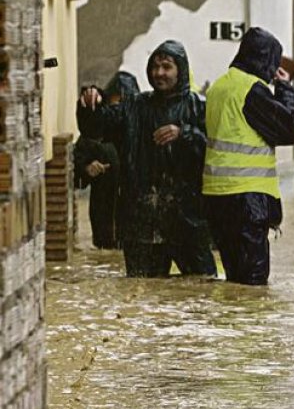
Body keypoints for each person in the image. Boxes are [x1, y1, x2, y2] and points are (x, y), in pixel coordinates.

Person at [77, 42, 216, 278]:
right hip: (141, 220)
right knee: (143, 291)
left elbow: (213, 149)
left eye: (166, 67)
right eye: (154, 67)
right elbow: (96, 127)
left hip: (187, 219)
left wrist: (184, 134)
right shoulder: (134, 107)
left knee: (203, 285)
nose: (159, 73)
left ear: (180, 70)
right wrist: (92, 102)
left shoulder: (198, 107)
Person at [202, 27, 294, 286]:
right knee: (253, 285)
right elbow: (290, 129)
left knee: (234, 280)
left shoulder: (218, 87)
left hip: (216, 198)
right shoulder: (250, 90)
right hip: (247, 200)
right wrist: (285, 88)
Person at [73, 72, 140, 249]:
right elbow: (76, 179)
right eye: (116, 102)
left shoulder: (141, 133)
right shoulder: (96, 137)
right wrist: (87, 169)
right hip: (104, 226)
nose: (120, 109)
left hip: (133, 226)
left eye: (125, 102)